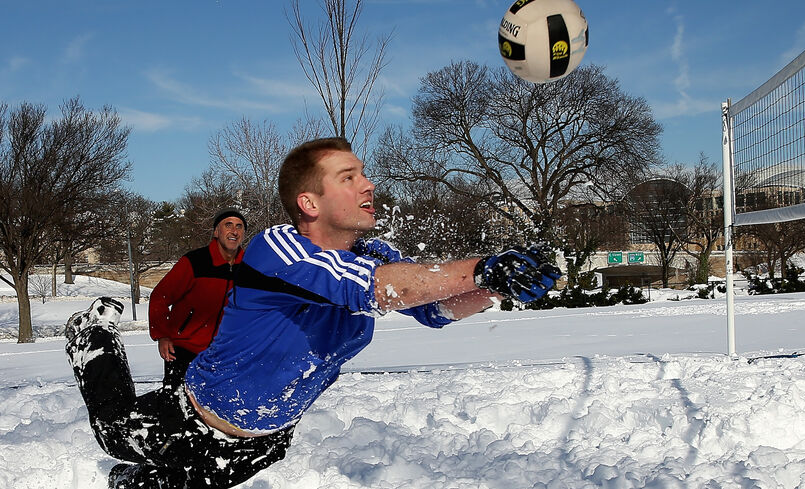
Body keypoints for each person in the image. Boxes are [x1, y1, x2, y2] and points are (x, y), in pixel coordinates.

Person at [64, 137, 561, 488]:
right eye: (349, 177)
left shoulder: (375, 255)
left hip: (263, 442)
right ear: (309, 202)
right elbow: (379, 290)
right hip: (187, 421)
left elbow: (433, 310)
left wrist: (501, 288)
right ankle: (90, 332)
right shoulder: (278, 250)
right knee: (111, 429)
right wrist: (484, 267)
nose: (368, 185)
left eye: (364, 173)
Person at [148, 208, 247, 389]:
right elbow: (160, 296)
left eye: (239, 227)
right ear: (216, 232)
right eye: (228, 225)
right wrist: (162, 335)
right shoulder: (194, 262)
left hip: (224, 355)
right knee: (176, 409)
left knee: (216, 413)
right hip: (184, 350)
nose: (234, 231)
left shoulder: (249, 268)